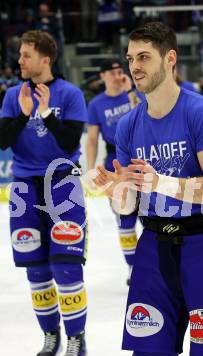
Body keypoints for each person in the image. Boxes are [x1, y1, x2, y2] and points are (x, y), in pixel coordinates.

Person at [94, 22, 203, 356]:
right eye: (131, 57)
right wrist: (115, 191)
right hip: (153, 245)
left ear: (170, 59)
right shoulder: (128, 127)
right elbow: (131, 201)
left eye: (144, 57)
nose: (135, 66)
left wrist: (161, 183)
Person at [0, 30, 88, 356]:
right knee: (37, 272)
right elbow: (3, 141)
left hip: (63, 185)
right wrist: (21, 114)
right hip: (25, 191)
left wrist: (47, 113)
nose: (20, 60)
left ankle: (77, 339)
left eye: (26, 55)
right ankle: (51, 336)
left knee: (66, 268)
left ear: (45, 59)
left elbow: (69, 142)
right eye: (20, 54)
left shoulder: (71, 94)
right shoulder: (11, 95)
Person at [86, 59, 141, 285]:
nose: (118, 75)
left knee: (153, 219)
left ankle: (157, 265)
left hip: (141, 158)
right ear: (103, 76)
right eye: (114, 72)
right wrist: (90, 169)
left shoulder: (135, 93)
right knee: (125, 219)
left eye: (121, 71)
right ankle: (133, 268)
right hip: (115, 162)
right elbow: (91, 139)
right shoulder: (96, 104)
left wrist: (130, 91)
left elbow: (145, 115)